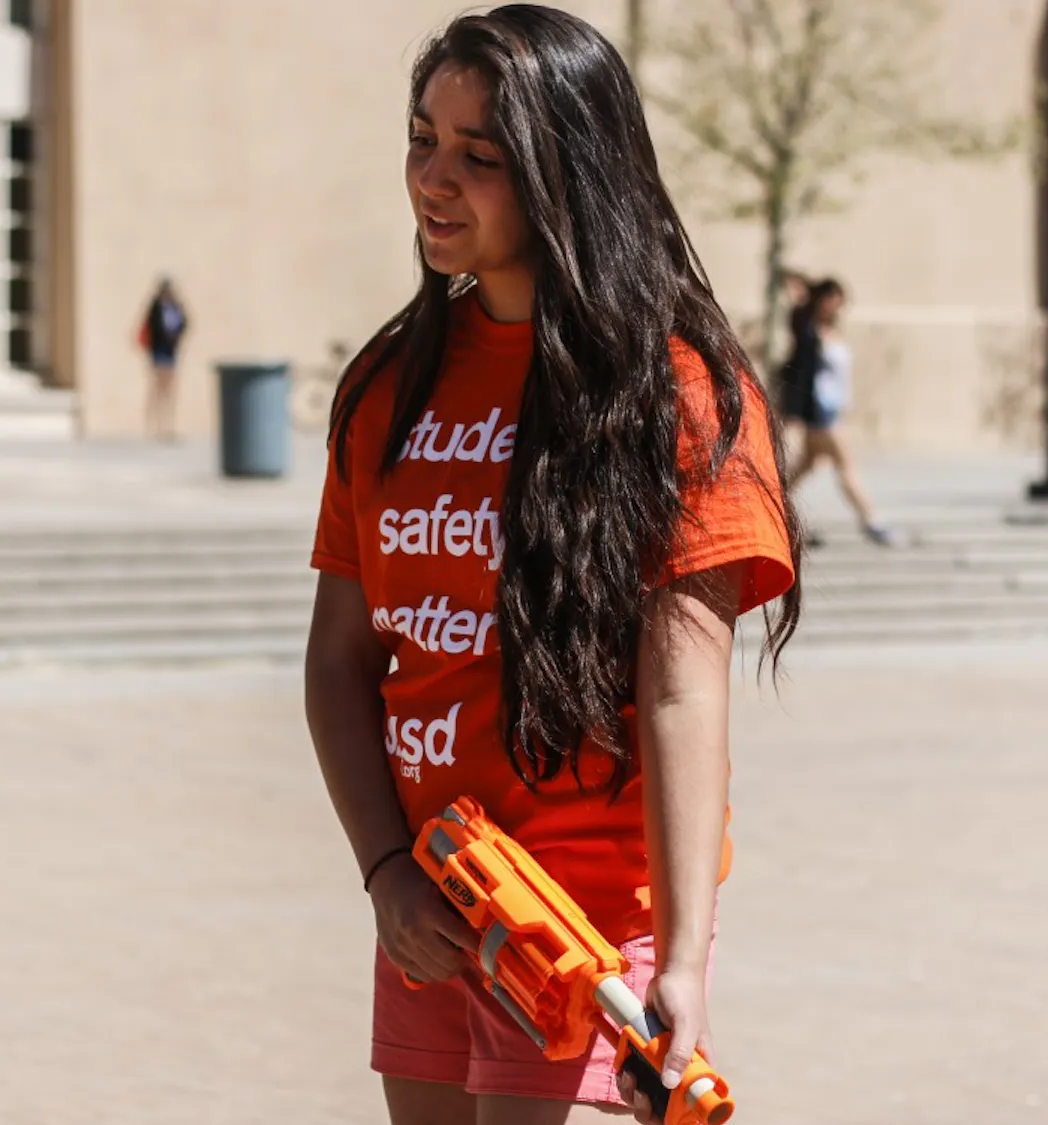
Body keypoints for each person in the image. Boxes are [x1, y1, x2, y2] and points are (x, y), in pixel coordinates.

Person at [302, 8, 802, 1125]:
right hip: (434, 899)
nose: (433, 177)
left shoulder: (677, 393)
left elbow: (683, 689)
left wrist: (679, 959)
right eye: (421, 138)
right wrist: (384, 868)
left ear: (564, 174)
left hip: (582, 931)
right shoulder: (385, 387)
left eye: (479, 158)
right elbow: (339, 661)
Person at [779, 277, 894, 546]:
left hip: (833, 412)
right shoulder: (809, 333)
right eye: (831, 298)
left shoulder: (832, 332)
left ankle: (774, 508)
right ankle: (871, 520)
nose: (836, 304)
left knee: (806, 465)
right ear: (820, 299)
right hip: (821, 414)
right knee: (846, 465)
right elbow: (801, 369)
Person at [138, 277, 188, 440]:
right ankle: (155, 427)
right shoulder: (156, 307)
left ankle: (169, 427)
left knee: (169, 391)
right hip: (159, 352)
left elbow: (186, 322)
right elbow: (152, 328)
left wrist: (175, 337)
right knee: (157, 390)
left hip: (171, 353)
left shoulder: (175, 307)